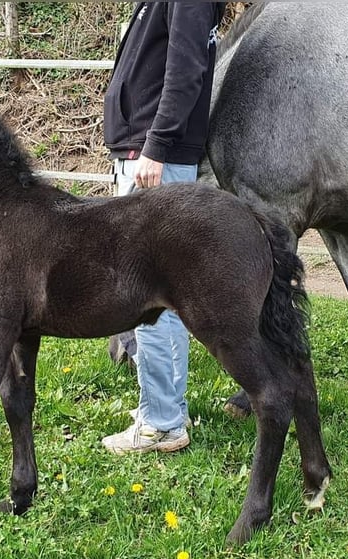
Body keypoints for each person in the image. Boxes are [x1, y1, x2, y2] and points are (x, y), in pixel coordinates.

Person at [101, 1, 227, 455]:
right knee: (151, 289)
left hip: (156, 158)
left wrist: (156, 145)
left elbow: (186, 68)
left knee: (153, 292)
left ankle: (163, 423)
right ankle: (162, 406)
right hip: (147, 153)